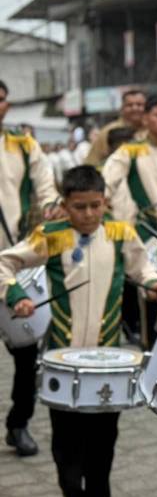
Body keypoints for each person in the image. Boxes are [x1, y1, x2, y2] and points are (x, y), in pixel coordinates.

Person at [0, 165, 157, 497]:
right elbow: (5, 262)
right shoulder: (51, 235)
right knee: (66, 448)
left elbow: (142, 267)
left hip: (108, 360)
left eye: (96, 205)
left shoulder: (121, 233)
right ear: (64, 205)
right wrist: (16, 295)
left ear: (105, 201)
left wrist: (154, 283)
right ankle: (71, 491)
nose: (89, 214)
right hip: (62, 359)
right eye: (80, 207)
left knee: (103, 447)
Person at [102, 94, 157, 349]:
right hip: (145, 233)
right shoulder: (130, 151)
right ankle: (150, 348)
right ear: (145, 119)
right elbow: (107, 181)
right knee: (151, 299)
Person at [0, 79, 60, 458]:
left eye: (1, 100)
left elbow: (46, 186)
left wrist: (52, 207)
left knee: (26, 355)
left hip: (13, 262)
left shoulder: (23, 144)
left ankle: (18, 423)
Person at [84, 89, 146, 166]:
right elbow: (92, 161)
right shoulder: (108, 132)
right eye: (129, 105)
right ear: (122, 109)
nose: (134, 108)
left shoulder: (152, 130)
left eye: (139, 105)